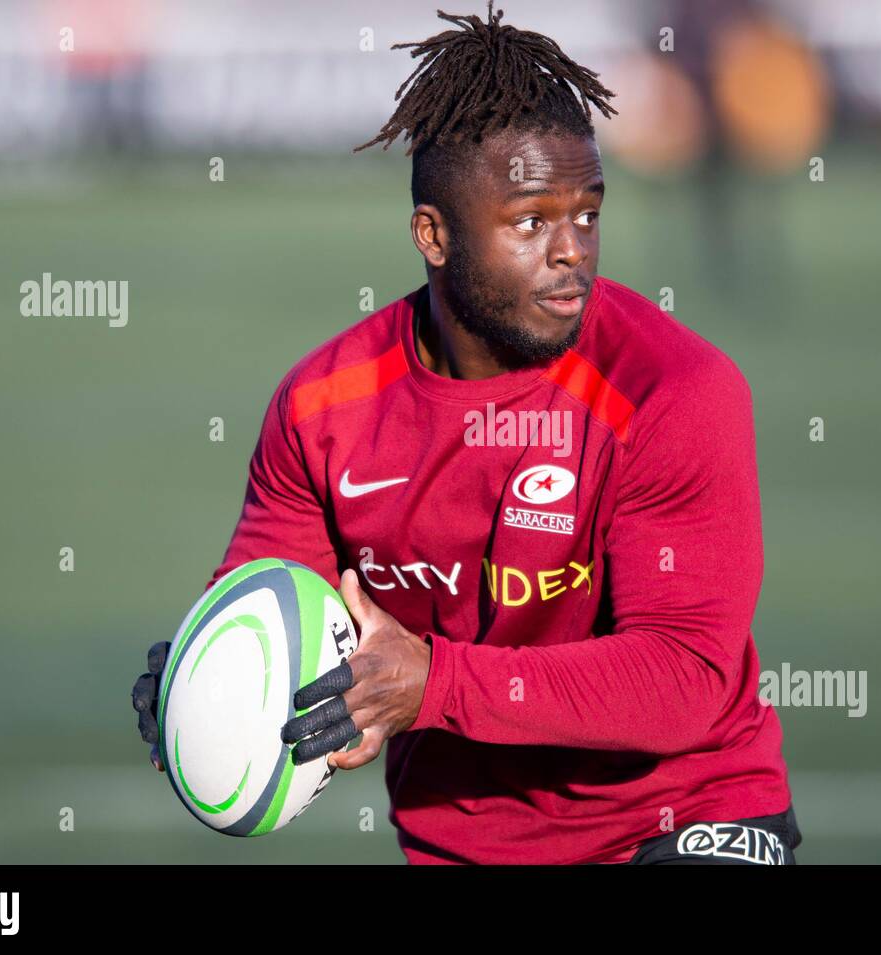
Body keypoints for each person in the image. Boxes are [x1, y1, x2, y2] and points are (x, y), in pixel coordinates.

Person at [133, 2, 798, 865]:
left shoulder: (674, 390)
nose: (572, 251)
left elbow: (683, 682)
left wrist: (435, 682)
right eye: (530, 221)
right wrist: (205, 685)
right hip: (466, 845)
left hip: (684, 819)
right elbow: (277, 614)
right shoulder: (323, 409)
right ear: (433, 235)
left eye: (587, 213)